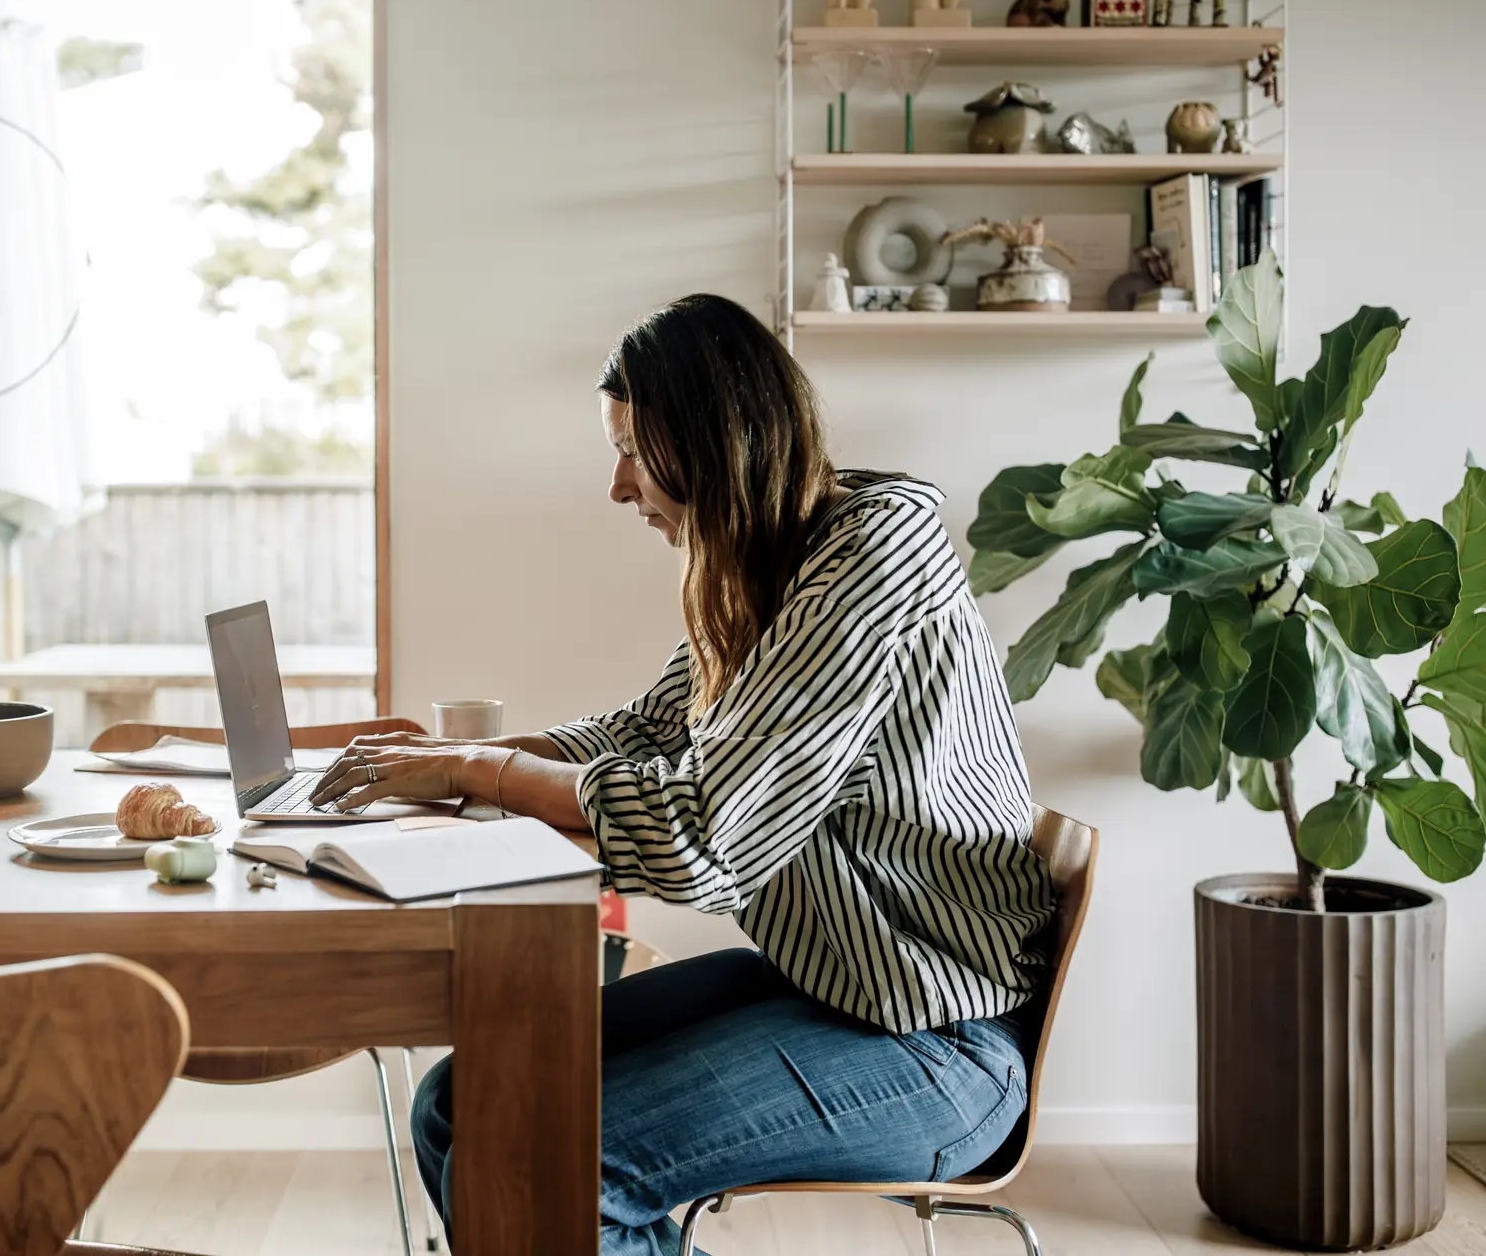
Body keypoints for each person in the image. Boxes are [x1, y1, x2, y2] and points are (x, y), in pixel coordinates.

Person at [310, 293, 1054, 1256]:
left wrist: (480, 768)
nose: (619, 487)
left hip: (936, 1039)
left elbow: (701, 838)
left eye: (631, 449)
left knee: (548, 1163)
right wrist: (446, 770)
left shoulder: (875, 551)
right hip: (822, 986)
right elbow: (645, 731)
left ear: (715, 441)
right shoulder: (765, 564)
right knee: (460, 1104)